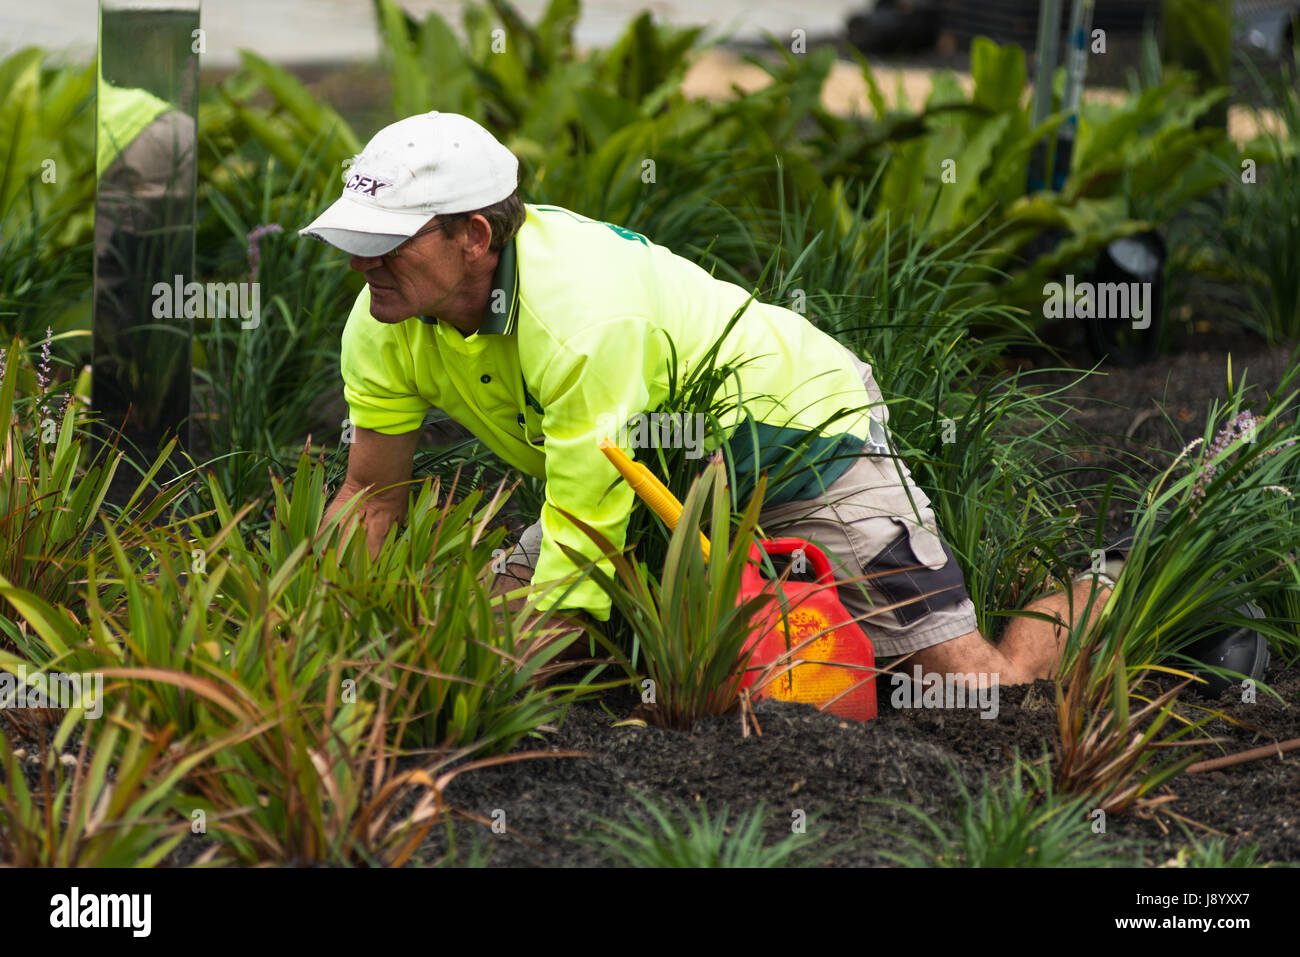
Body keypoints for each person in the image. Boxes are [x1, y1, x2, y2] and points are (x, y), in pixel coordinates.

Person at [301, 110, 1111, 689]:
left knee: (967, 689)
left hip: (801, 445)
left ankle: (1107, 584)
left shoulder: (582, 317)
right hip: (653, 478)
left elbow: (581, 549)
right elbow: (372, 497)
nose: (358, 262)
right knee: (471, 640)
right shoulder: (385, 318)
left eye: (383, 240)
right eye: (354, 238)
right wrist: (326, 651)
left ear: (474, 237)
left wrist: (466, 697)